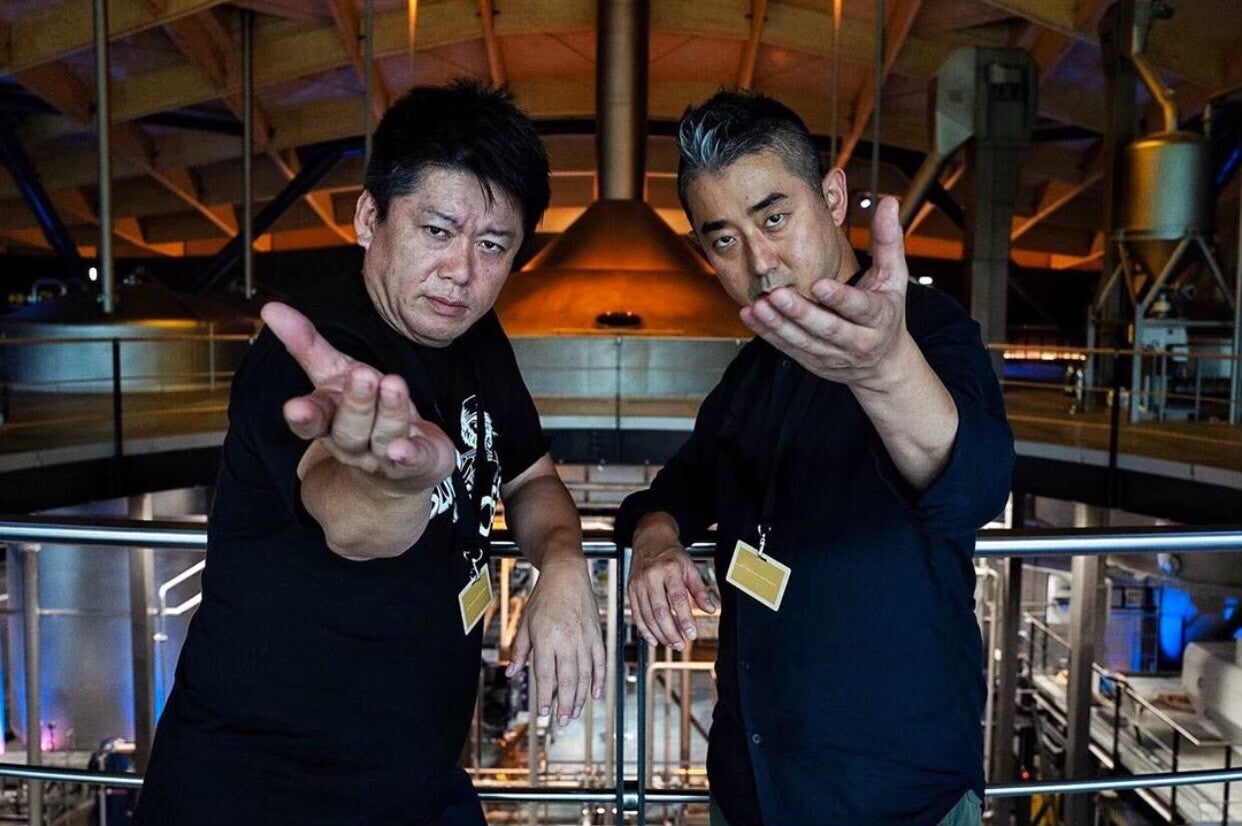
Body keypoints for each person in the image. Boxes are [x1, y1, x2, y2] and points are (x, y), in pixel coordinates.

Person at [135, 81, 605, 826]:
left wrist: (564, 562)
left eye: (493, 245)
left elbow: (531, 476)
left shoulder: (476, 337)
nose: (462, 271)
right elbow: (350, 522)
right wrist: (392, 486)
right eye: (437, 231)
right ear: (368, 217)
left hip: (417, 776)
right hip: (264, 789)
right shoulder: (316, 352)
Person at [617, 90, 1015, 826]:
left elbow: (973, 485)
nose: (759, 262)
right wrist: (655, 538)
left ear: (832, 197)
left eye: (774, 218)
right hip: (753, 788)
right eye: (724, 240)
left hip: (895, 800)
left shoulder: (928, 330)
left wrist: (886, 371)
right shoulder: (752, 372)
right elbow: (681, 484)